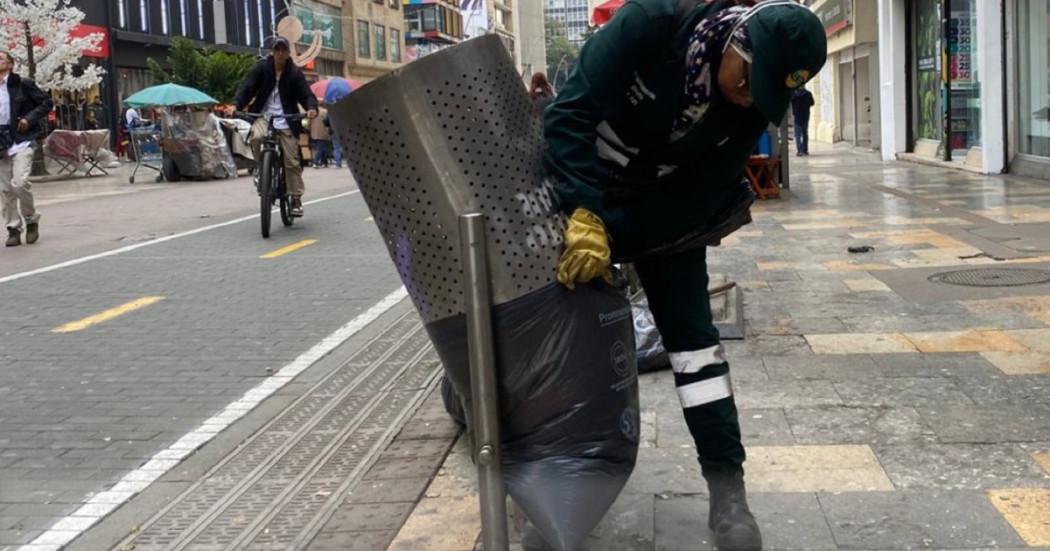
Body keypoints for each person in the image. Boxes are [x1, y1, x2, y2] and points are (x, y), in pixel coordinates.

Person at [544, 1, 826, 549]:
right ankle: (559, 483)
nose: (750, 98)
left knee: (697, 349)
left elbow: (706, 188)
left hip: (663, 210)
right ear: (736, 43)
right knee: (564, 344)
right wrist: (584, 214)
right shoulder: (653, 23)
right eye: (750, 80)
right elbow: (568, 115)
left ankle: (728, 490)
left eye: (765, 93)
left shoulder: (749, 104)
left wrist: (629, 239)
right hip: (582, 185)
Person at [233, 36, 317, 217]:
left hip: (287, 119)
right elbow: (247, 86)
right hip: (264, 116)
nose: (280, 53)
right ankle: (260, 168)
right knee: (255, 137)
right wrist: (237, 104)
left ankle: (295, 198)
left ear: (288, 53)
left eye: (283, 50)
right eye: (276, 49)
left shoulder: (294, 73)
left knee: (292, 160)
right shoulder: (262, 68)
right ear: (272, 51)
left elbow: (306, 93)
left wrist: (311, 107)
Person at [0, 50, 52, 247]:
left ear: (11, 64)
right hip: (0, 142)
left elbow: (47, 102)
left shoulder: (22, 84)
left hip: (21, 139)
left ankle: (31, 220)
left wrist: (29, 119)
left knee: (19, 182)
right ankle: (13, 228)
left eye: (1, 58)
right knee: (5, 190)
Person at [791, 85, 814, 156]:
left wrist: (794, 111)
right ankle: (805, 150)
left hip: (797, 117)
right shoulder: (808, 93)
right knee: (805, 134)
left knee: (797, 134)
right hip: (805, 116)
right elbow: (812, 103)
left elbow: (792, 104)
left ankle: (799, 150)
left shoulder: (793, 94)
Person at [310, 104, 331, 168]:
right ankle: (315, 162)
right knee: (320, 148)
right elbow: (329, 121)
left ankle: (324, 162)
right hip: (323, 132)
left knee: (322, 147)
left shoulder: (312, 112)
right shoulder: (325, 111)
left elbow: (308, 122)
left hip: (314, 132)